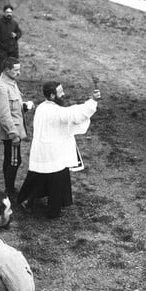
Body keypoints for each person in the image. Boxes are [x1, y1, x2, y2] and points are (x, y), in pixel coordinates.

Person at [17, 81, 100, 219]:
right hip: (54, 153)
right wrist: (93, 101)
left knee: (39, 177)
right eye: (60, 92)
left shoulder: (42, 107)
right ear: (52, 95)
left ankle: (28, 199)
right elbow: (75, 115)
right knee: (55, 180)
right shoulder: (56, 111)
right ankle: (53, 211)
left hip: (42, 151)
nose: (64, 94)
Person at [0, 57, 32, 195]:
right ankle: (10, 190)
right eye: (16, 70)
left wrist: (24, 106)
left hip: (14, 126)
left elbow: (13, 106)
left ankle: (9, 187)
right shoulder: (2, 87)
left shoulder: (11, 82)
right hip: (11, 130)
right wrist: (13, 134)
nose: (18, 72)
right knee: (14, 160)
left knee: (11, 158)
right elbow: (4, 113)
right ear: (7, 70)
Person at [0, 4, 22, 77]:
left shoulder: (14, 23)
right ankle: (0, 85)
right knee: (1, 69)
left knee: (12, 69)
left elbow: (19, 32)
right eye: (7, 12)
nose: (9, 14)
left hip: (12, 50)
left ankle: (11, 84)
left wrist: (16, 35)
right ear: (4, 13)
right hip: (2, 50)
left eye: (10, 12)